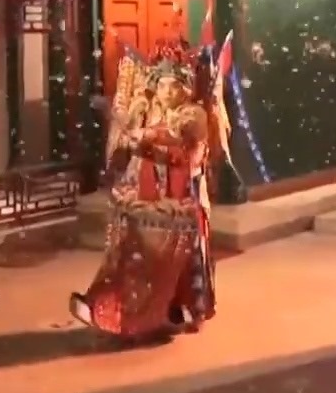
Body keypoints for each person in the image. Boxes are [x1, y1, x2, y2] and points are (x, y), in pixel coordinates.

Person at [69, 36, 225, 341]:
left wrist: (147, 136)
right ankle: (111, 305)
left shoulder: (194, 115)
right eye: (163, 85)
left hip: (179, 198)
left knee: (159, 259)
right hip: (148, 195)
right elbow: (135, 146)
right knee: (129, 252)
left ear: (185, 88)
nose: (168, 92)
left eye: (174, 86)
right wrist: (129, 136)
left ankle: (140, 314)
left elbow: (179, 136)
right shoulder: (149, 111)